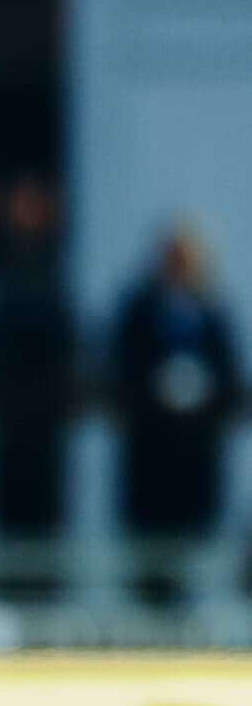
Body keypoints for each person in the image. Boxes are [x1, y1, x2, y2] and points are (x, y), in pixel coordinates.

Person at [115, 225, 240, 537]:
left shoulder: (213, 313)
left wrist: (202, 389)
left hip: (197, 451)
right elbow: (123, 369)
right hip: (150, 449)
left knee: (195, 536)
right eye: (173, 256)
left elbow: (228, 375)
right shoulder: (140, 309)